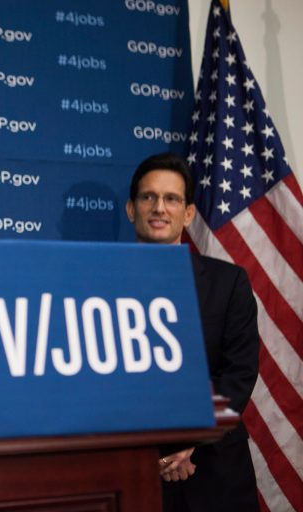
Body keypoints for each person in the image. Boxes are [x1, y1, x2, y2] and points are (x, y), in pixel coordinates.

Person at [125, 153, 260, 512]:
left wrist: (187, 441)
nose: (159, 207)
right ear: (131, 209)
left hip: (213, 470)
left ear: (186, 213)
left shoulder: (229, 283)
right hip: (128, 472)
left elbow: (239, 374)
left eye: (171, 198)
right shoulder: (96, 287)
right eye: (148, 197)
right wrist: (150, 450)